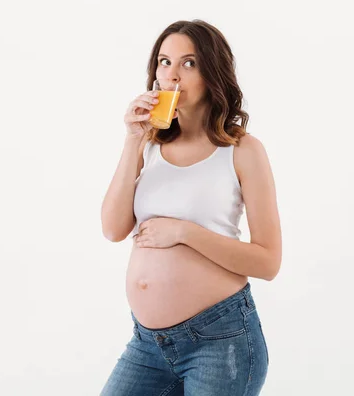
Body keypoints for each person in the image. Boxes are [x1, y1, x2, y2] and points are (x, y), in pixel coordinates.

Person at [99, 19, 282, 396]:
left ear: (212, 72)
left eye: (189, 63)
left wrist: (185, 233)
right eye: (164, 62)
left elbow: (268, 262)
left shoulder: (242, 150)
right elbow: (112, 228)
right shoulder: (146, 146)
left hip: (220, 343)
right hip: (148, 345)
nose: (173, 75)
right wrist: (132, 141)